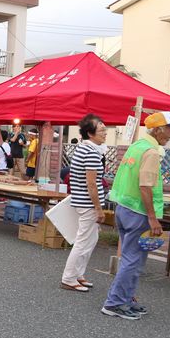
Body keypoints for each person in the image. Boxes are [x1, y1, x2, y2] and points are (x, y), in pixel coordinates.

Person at [101, 112, 170, 319]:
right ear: (157, 130)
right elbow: (146, 187)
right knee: (133, 260)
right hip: (138, 211)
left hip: (124, 207)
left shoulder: (136, 147)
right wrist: (153, 218)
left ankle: (125, 299)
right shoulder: (151, 152)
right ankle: (115, 303)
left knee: (131, 258)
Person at [61, 114, 108, 293]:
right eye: (101, 130)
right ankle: (69, 277)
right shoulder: (91, 152)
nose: (105, 133)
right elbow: (92, 184)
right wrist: (99, 208)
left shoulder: (83, 149)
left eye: (104, 129)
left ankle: (77, 274)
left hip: (81, 200)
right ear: (90, 133)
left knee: (89, 240)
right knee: (83, 241)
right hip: (88, 203)